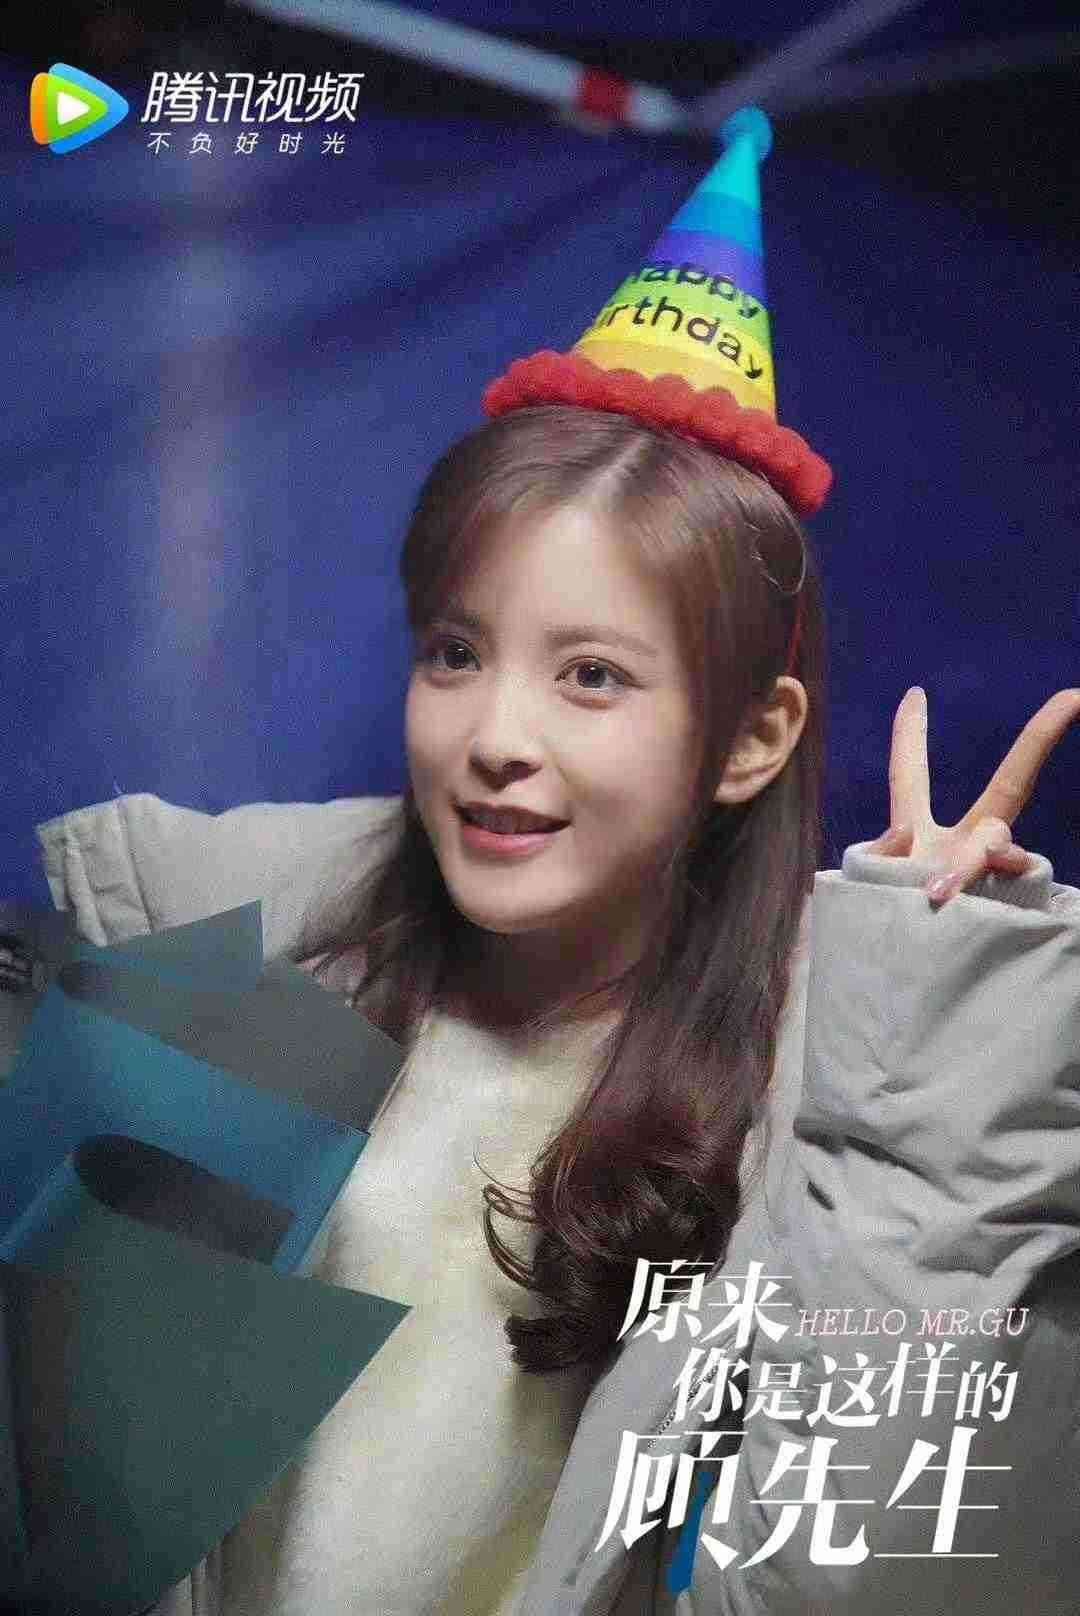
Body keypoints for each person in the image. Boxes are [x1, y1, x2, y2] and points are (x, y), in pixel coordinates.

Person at [33, 110, 1080, 1614]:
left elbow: (888, 1570)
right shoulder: (249, 958)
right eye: (457, 653)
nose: (494, 738)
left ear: (752, 737)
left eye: (591, 676)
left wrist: (937, 1042)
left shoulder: (814, 1098)